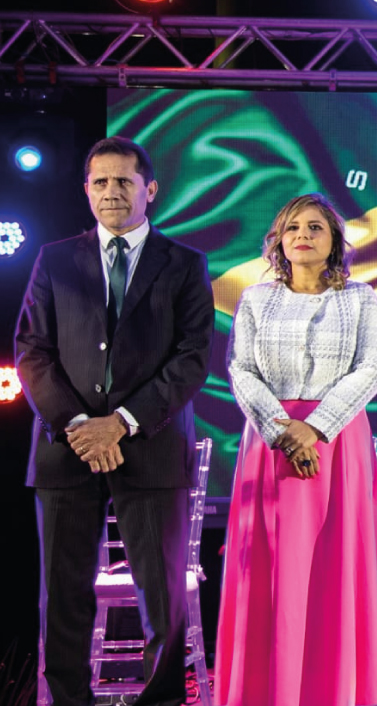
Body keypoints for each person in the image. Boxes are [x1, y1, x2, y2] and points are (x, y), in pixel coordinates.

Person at [15, 136, 213, 706]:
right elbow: (31, 351)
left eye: (123, 181)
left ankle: (162, 700)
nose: (111, 192)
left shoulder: (184, 264)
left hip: (151, 448)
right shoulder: (54, 259)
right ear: (86, 190)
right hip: (66, 450)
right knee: (63, 596)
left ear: (150, 189)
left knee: (162, 601)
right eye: (100, 182)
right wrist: (80, 424)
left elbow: (192, 358)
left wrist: (121, 422)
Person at [214, 193, 377, 706]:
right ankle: (267, 691)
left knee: (333, 568)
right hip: (269, 444)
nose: (303, 235)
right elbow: (241, 370)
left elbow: (370, 369)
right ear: (278, 240)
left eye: (315, 227)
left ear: (334, 239)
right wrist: (283, 431)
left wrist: (314, 428)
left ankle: (332, 690)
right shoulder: (256, 299)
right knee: (275, 568)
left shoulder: (361, 299)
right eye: (293, 227)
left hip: (338, 443)